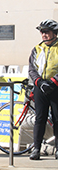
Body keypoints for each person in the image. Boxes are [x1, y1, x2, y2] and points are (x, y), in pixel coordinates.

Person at [28, 19, 58, 160]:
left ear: (54, 33)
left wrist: (54, 81)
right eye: (42, 32)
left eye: (46, 32)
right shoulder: (37, 49)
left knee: (57, 118)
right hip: (40, 87)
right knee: (40, 118)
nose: (44, 35)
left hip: (56, 87)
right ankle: (37, 148)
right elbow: (32, 68)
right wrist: (38, 82)